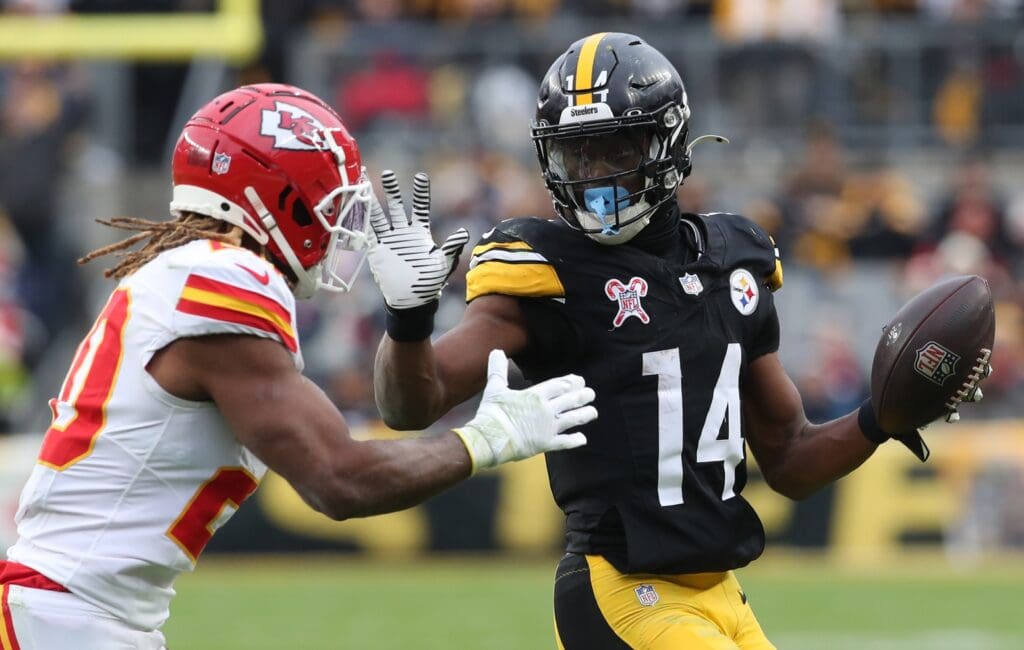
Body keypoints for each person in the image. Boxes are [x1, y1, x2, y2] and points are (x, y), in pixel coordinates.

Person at [368, 34, 989, 649]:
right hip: (620, 594)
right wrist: (408, 321)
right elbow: (412, 405)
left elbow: (791, 457)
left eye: (614, 150)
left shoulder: (734, 261)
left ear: (667, 140)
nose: (594, 177)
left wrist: (878, 419)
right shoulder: (546, 267)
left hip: (723, 598)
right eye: (576, 155)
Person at [0, 83, 597, 650]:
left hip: (73, 613)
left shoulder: (190, 274)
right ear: (275, 199)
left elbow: (370, 433)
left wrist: (408, 325)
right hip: (64, 618)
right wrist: (488, 439)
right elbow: (338, 477)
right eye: (326, 202)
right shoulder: (225, 277)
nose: (336, 225)